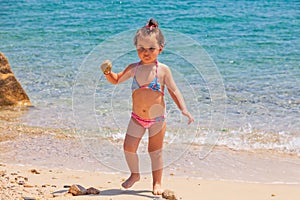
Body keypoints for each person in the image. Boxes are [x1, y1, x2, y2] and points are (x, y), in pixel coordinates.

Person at [100, 18, 194, 195]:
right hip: (136, 118)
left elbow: (174, 91)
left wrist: (184, 109)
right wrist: (107, 72)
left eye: (151, 48)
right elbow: (116, 80)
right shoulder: (133, 68)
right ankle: (135, 174)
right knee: (128, 147)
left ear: (160, 48)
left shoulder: (163, 70)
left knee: (155, 152)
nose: (146, 52)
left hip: (157, 120)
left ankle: (157, 183)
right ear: (136, 48)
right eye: (141, 48)